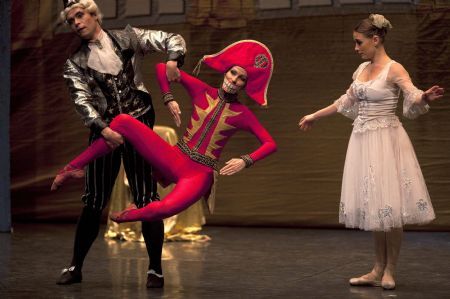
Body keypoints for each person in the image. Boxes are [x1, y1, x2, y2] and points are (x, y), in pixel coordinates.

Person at [52, 40, 276, 232]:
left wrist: (245, 160)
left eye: (241, 79)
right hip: (175, 157)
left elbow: (269, 143)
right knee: (121, 121)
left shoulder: (244, 114)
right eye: (233, 73)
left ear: (245, 85)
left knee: (166, 209)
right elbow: (162, 68)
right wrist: (169, 98)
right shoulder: (202, 90)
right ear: (226, 71)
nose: (234, 80)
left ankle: (131, 214)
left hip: (199, 174)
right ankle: (74, 167)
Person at [299, 14, 444, 290]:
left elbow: (412, 95)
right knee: (377, 206)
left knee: (391, 205)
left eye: (359, 42)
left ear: (375, 40)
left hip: (386, 141)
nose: (356, 48)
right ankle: (377, 267)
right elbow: (345, 101)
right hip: (364, 141)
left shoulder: (394, 69)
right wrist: (315, 115)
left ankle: (390, 268)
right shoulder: (361, 70)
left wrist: (424, 96)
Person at [55, 0, 186, 288]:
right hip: (105, 134)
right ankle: (76, 266)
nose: (76, 23)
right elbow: (82, 102)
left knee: (147, 198)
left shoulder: (128, 37)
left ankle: (155, 270)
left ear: (93, 14)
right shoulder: (74, 62)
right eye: (70, 20)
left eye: (80, 15)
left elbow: (171, 39)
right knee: (93, 202)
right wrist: (102, 129)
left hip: (139, 129)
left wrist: (174, 59)